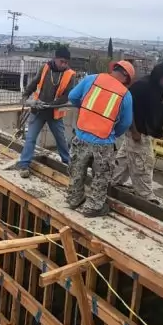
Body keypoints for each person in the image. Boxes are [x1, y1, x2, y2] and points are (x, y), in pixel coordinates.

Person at [65, 61, 135, 216]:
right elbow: (126, 122)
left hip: (81, 135)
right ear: (126, 77)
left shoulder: (92, 79)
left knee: (77, 169)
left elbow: (72, 96)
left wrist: (84, 109)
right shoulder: (125, 94)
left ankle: (74, 199)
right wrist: (114, 133)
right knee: (101, 175)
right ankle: (94, 207)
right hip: (104, 142)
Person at [114, 59, 163, 202]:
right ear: (160, 75)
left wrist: (158, 130)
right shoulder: (141, 87)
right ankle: (146, 196)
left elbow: (160, 110)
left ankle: (114, 180)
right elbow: (127, 109)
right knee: (144, 163)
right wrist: (134, 131)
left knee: (126, 158)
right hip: (138, 132)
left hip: (147, 132)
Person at [15, 46, 77, 177]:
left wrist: (51, 105)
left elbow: (66, 96)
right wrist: (26, 96)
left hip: (54, 114)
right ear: (55, 59)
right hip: (38, 111)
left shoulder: (70, 75)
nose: (64, 65)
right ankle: (24, 165)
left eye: (66, 62)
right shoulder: (45, 68)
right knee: (30, 138)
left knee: (61, 141)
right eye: (62, 61)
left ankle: (69, 165)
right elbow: (34, 83)